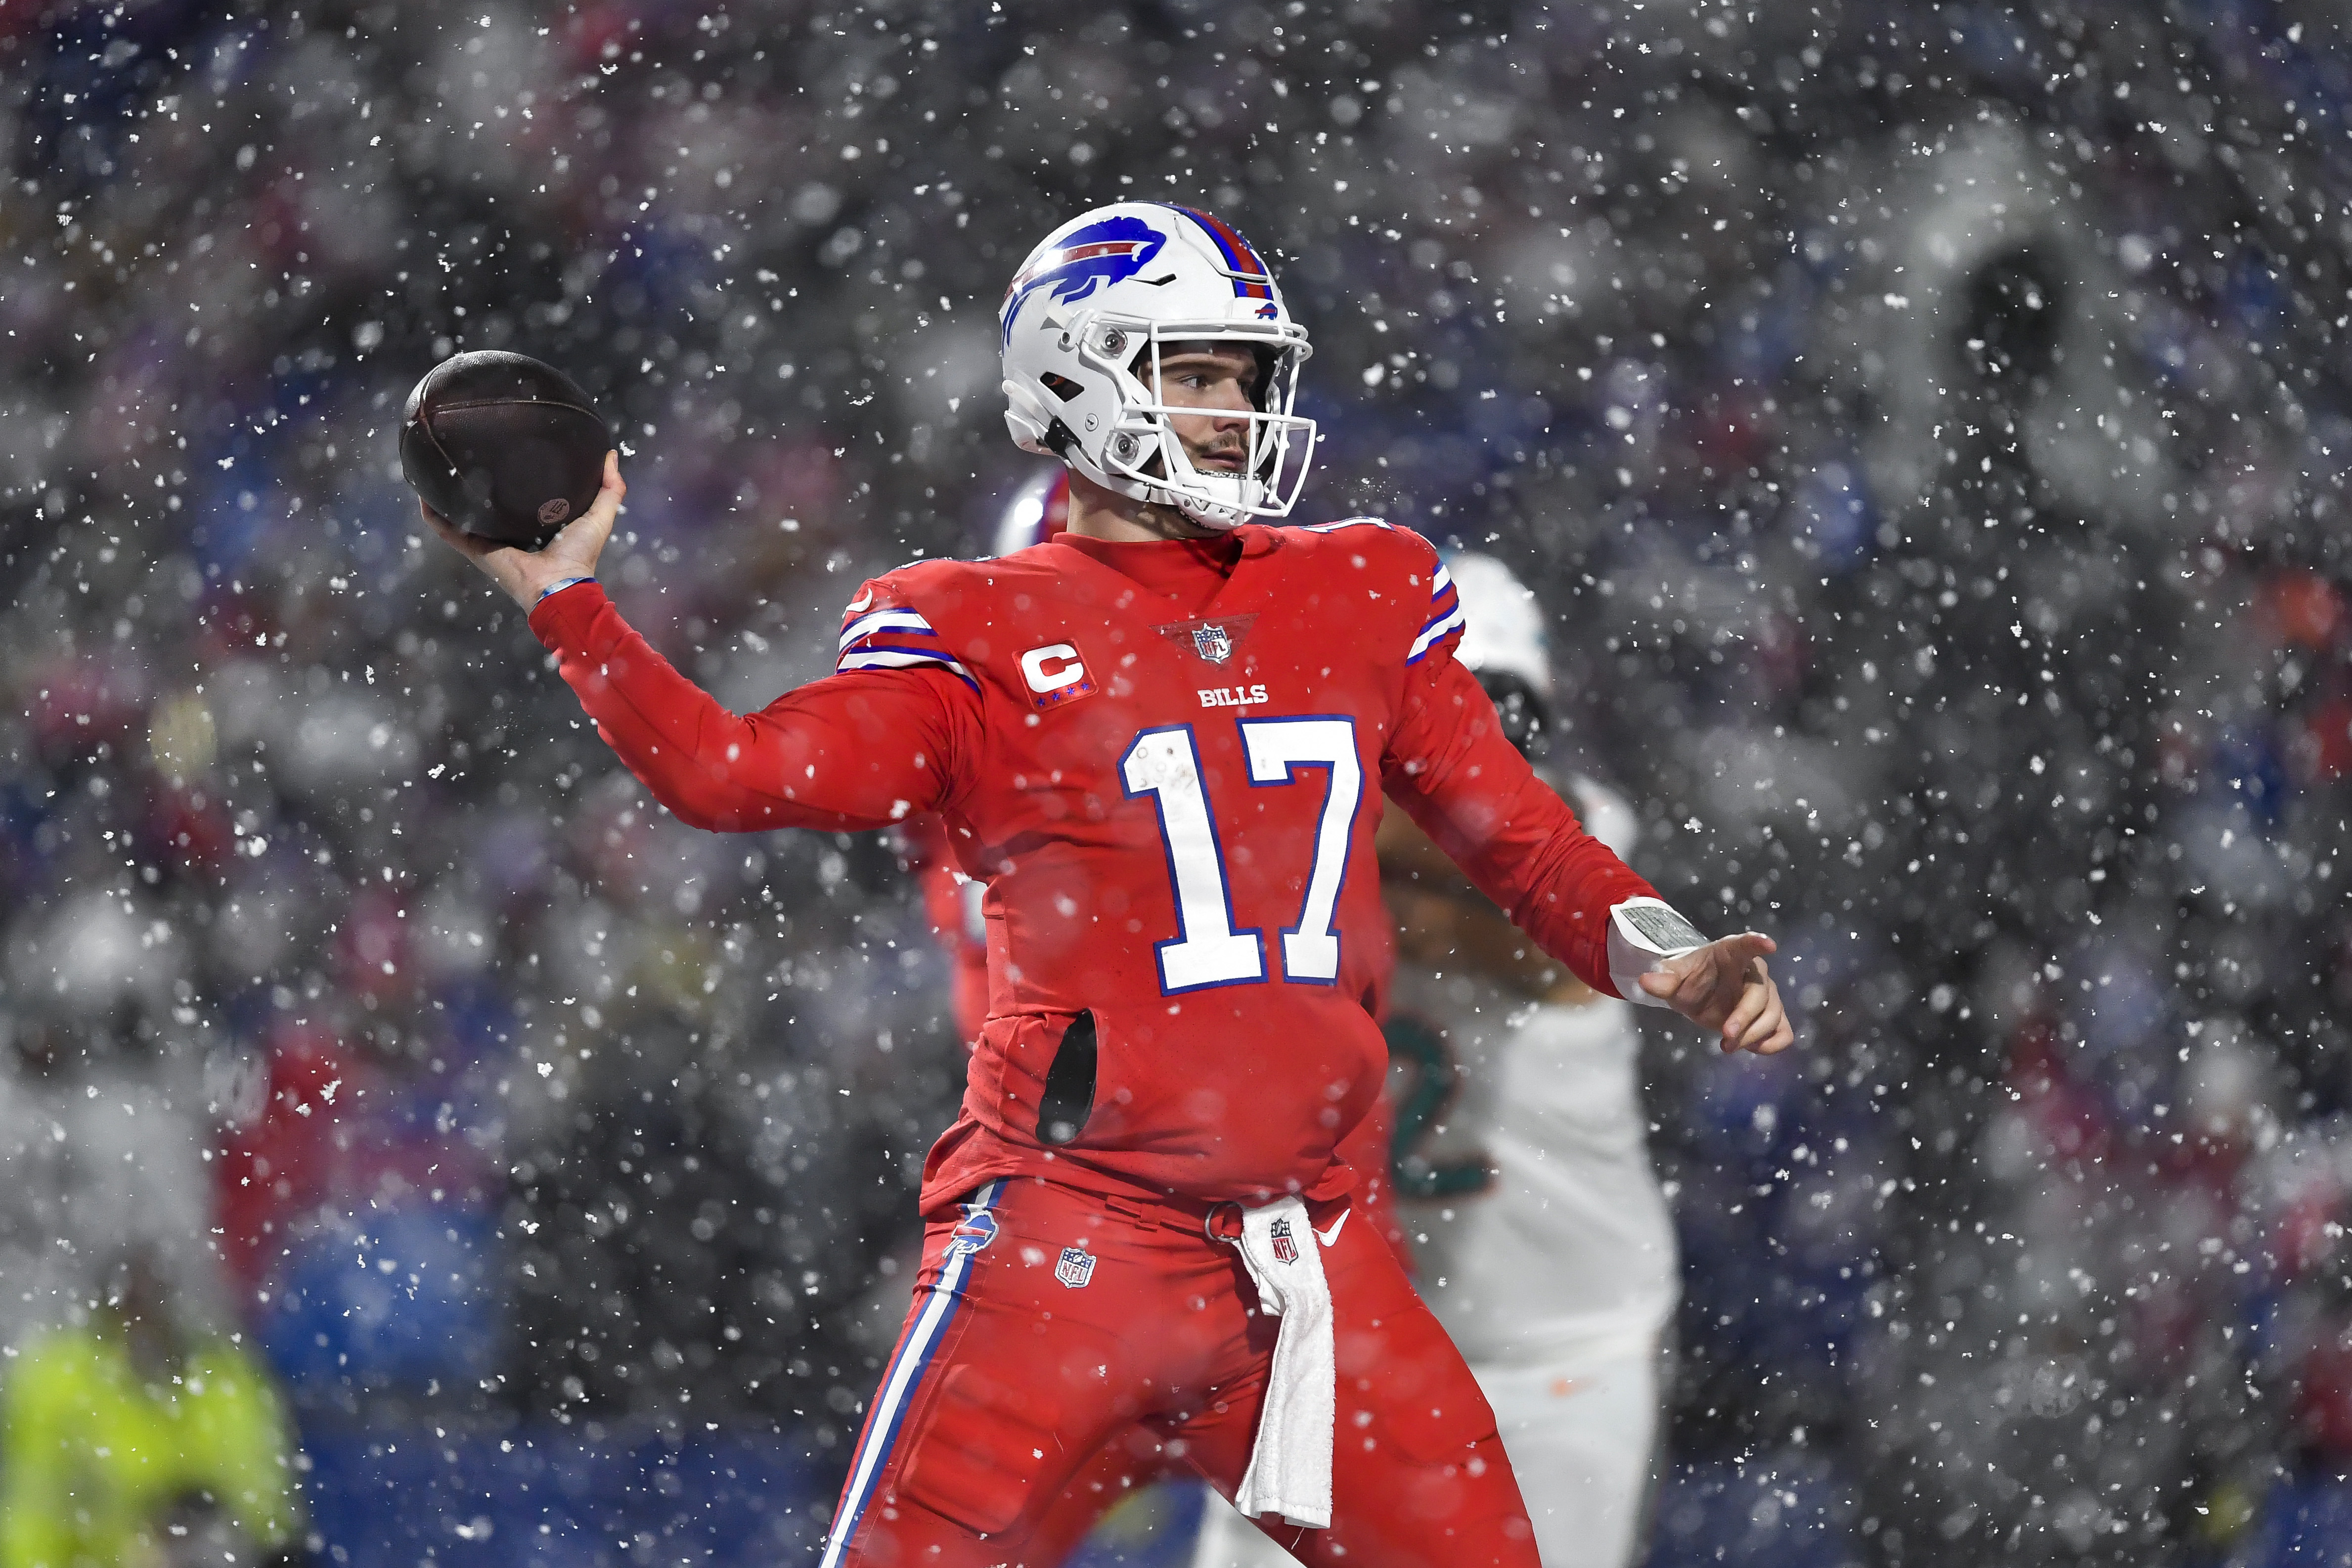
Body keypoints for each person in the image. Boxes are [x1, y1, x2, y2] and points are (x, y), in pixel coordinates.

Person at [425, 201, 1792, 1567]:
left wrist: (1662, 951)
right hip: (1071, 1247)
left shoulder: (1358, 589)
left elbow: (1528, 843)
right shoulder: (975, 622)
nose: (1229, 409)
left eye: (1243, 378)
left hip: (1308, 1251)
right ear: (1075, 369)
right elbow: (732, 773)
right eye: (1192, 372)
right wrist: (568, 599)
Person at [1192, 553, 1681, 1568]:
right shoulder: (1291, 825)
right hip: (1329, 1348)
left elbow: (1490, 907)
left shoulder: (1578, 839)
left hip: (1552, 1356)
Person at [0, 1248, 308, 1568]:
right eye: (133, 1306)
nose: (143, 1323)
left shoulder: (225, 1382)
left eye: (154, 1303)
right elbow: (34, 1515)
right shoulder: (60, 1386)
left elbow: (267, 1512)